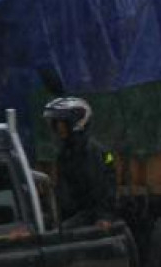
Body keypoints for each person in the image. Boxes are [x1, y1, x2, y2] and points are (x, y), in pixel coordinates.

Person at [42, 97, 118, 227]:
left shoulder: (95, 152)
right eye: (56, 123)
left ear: (77, 123)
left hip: (90, 217)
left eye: (63, 122)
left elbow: (104, 189)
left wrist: (104, 217)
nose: (59, 127)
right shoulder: (65, 153)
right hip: (71, 215)